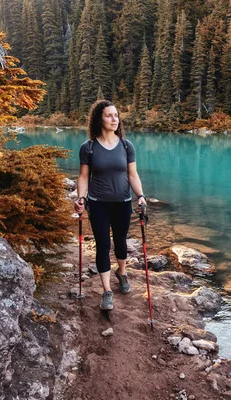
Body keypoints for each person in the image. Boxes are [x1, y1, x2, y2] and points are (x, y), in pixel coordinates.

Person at [74, 100, 146, 310]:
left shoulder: (126, 145)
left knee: (121, 242)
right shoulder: (88, 148)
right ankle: (106, 291)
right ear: (99, 119)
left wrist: (140, 196)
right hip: (98, 204)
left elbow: (133, 175)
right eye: (109, 115)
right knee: (103, 245)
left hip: (123, 202)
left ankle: (122, 273)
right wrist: (81, 198)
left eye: (116, 115)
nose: (115, 119)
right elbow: (83, 177)